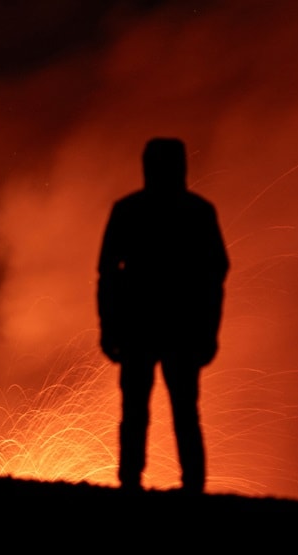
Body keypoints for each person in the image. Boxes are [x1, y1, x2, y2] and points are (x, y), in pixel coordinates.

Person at [97, 137, 229, 493]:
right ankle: (191, 485)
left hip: (142, 327)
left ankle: (131, 482)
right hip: (178, 328)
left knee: (140, 411)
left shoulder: (128, 211)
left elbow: (107, 274)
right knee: (182, 411)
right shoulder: (198, 212)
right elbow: (214, 276)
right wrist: (208, 330)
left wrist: (109, 328)